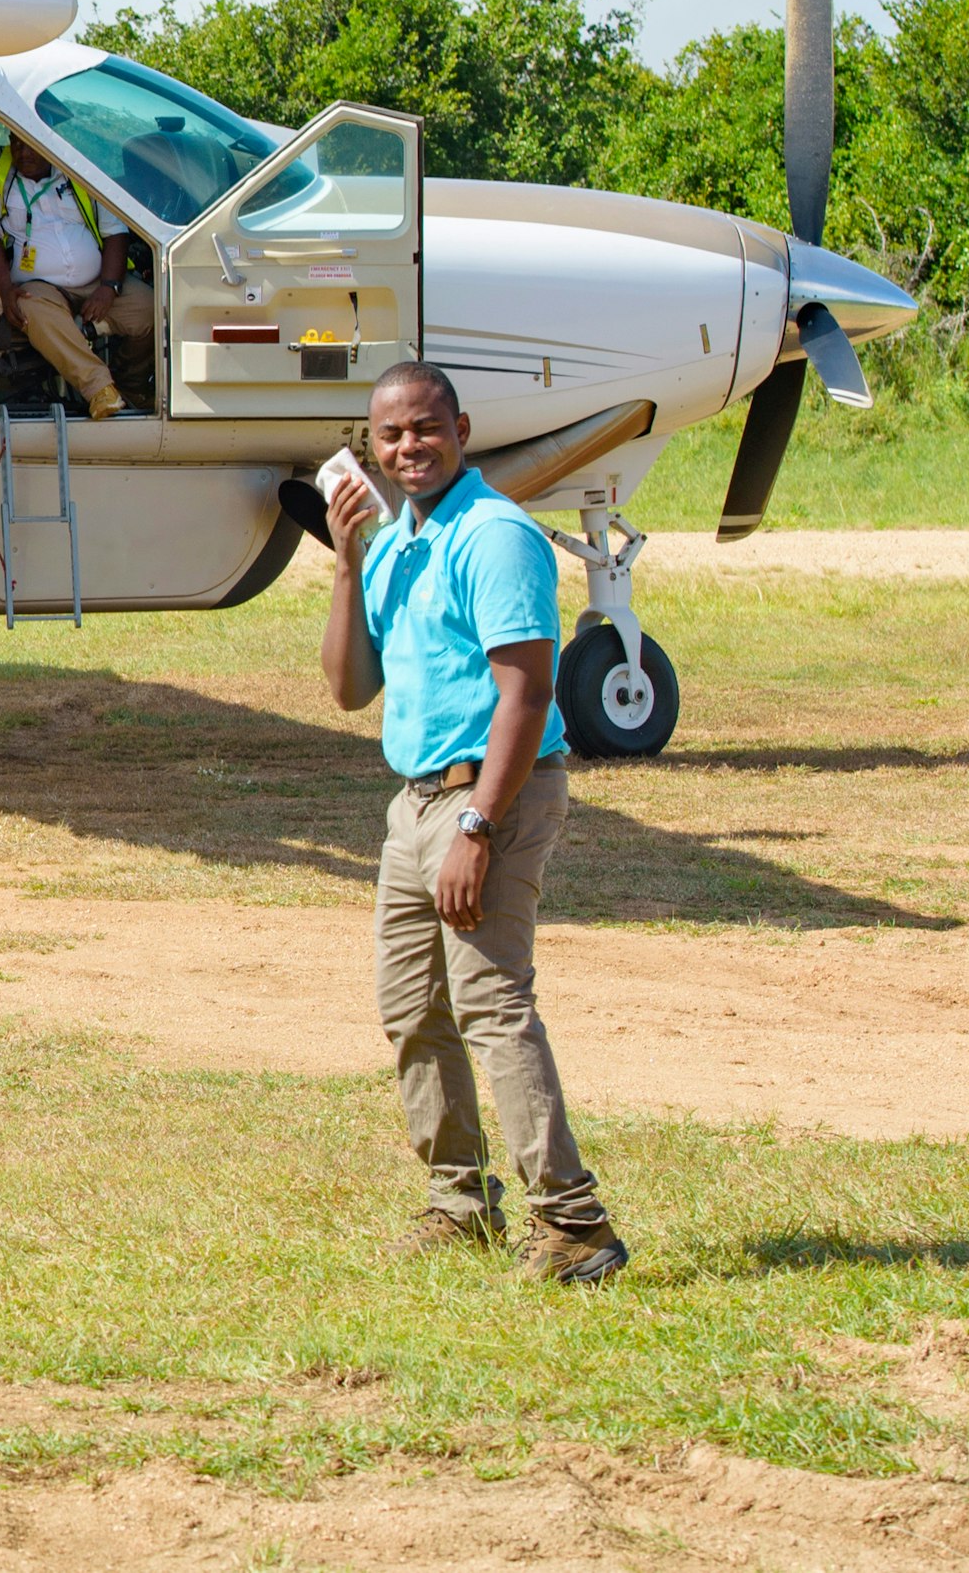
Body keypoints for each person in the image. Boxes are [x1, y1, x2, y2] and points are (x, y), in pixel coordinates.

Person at [321, 359, 628, 1287]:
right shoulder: (393, 543)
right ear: (367, 447)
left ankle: (574, 1222)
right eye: (390, 435)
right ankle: (460, 1203)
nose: (409, 447)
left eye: (425, 427)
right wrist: (344, 561)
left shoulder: (494, 535)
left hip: (489, 795)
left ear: (462, 426)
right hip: (413, 799)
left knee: (491, 1004)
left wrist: (479, 827)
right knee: (411, 1009)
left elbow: (527, 692)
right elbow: (347, 688)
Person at [0, 135, 151, 421]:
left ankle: (130, 386)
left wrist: (109, 287)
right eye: (17, 143)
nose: (23, 152)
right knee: (29, 309)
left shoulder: (81, 166)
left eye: (31, 144)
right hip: (38, 287)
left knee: (150, 310)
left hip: (98, 281)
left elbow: (116, 231)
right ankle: (100, 389)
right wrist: (6, 290)